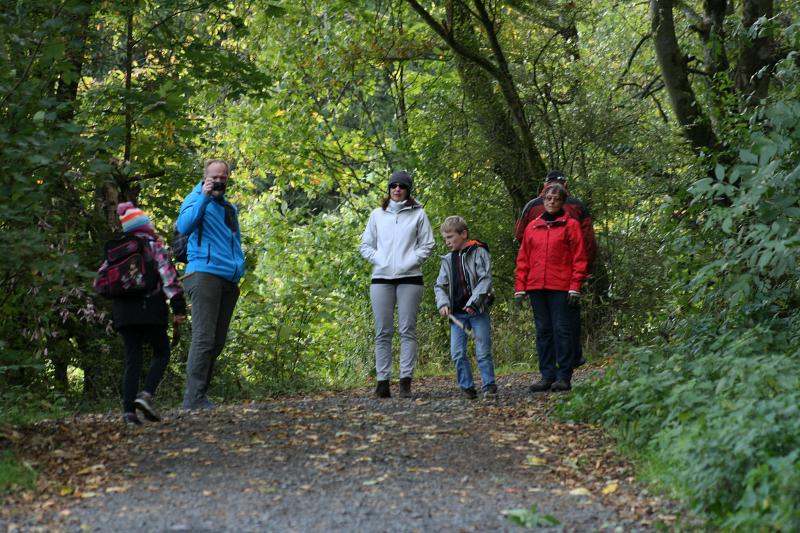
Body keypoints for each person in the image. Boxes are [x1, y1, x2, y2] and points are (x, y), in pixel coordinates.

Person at [97, 202, 187, 426]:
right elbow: (168, 278)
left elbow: (99, 282)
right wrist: (178, 308)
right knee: (162, 352)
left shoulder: (116, 251)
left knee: (132, 359)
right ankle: (145, 395)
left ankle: (128, 413)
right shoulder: (152, 245)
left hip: (123, 313)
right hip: (151, 308)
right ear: (145, 224)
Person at [360, 170, 435, 398]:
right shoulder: (377, 215)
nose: (397, 189)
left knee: (407, 330)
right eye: (393, 186)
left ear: (408, 190)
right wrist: (380, 260)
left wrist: (409, 261)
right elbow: (365, 246)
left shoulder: (419, 214)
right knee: (383, 331)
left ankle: (405, 382)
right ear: (389, 189)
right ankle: (382, 382)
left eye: (402, 186)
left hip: (410, 279)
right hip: (381, 278)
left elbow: (428, 244)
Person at [177, 159, 245, 410]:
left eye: (223, 177)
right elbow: (183, 226)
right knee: (204, 339)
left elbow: (234, 241)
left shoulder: (229, 208)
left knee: (216, 342)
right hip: (203, 274)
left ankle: (200, 395)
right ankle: (192, 399)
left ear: (228, 179)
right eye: (214, 176)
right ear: (205, 176)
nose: (218, 181)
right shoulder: (195, 199)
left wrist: (240, 267)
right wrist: (203, 198)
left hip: (228, 278)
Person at [514, 169, 597, 367]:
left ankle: (565, 371)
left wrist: (578, 277)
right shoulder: (536, 219)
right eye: (549, 198)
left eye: (556, 198)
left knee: (561, 327)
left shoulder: (570, 218)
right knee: (554, 327)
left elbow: (582, 245)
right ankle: (551, 370)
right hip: (539, 281)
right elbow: (523, 243)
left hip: (565, 279)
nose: (552, 201)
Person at [434, 216, 497, 400]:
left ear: (464, 234)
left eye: (450, 237)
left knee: (482, 350)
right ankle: (467, 386)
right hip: (457, 315)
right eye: (445, 238)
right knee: (457, 352)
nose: (447, 242)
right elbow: (439, 286)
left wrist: (474, 303)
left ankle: (489, 385)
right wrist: (443, 303)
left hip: (478, 311)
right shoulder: (447, 260)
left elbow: (485, 279)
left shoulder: (479, 252)